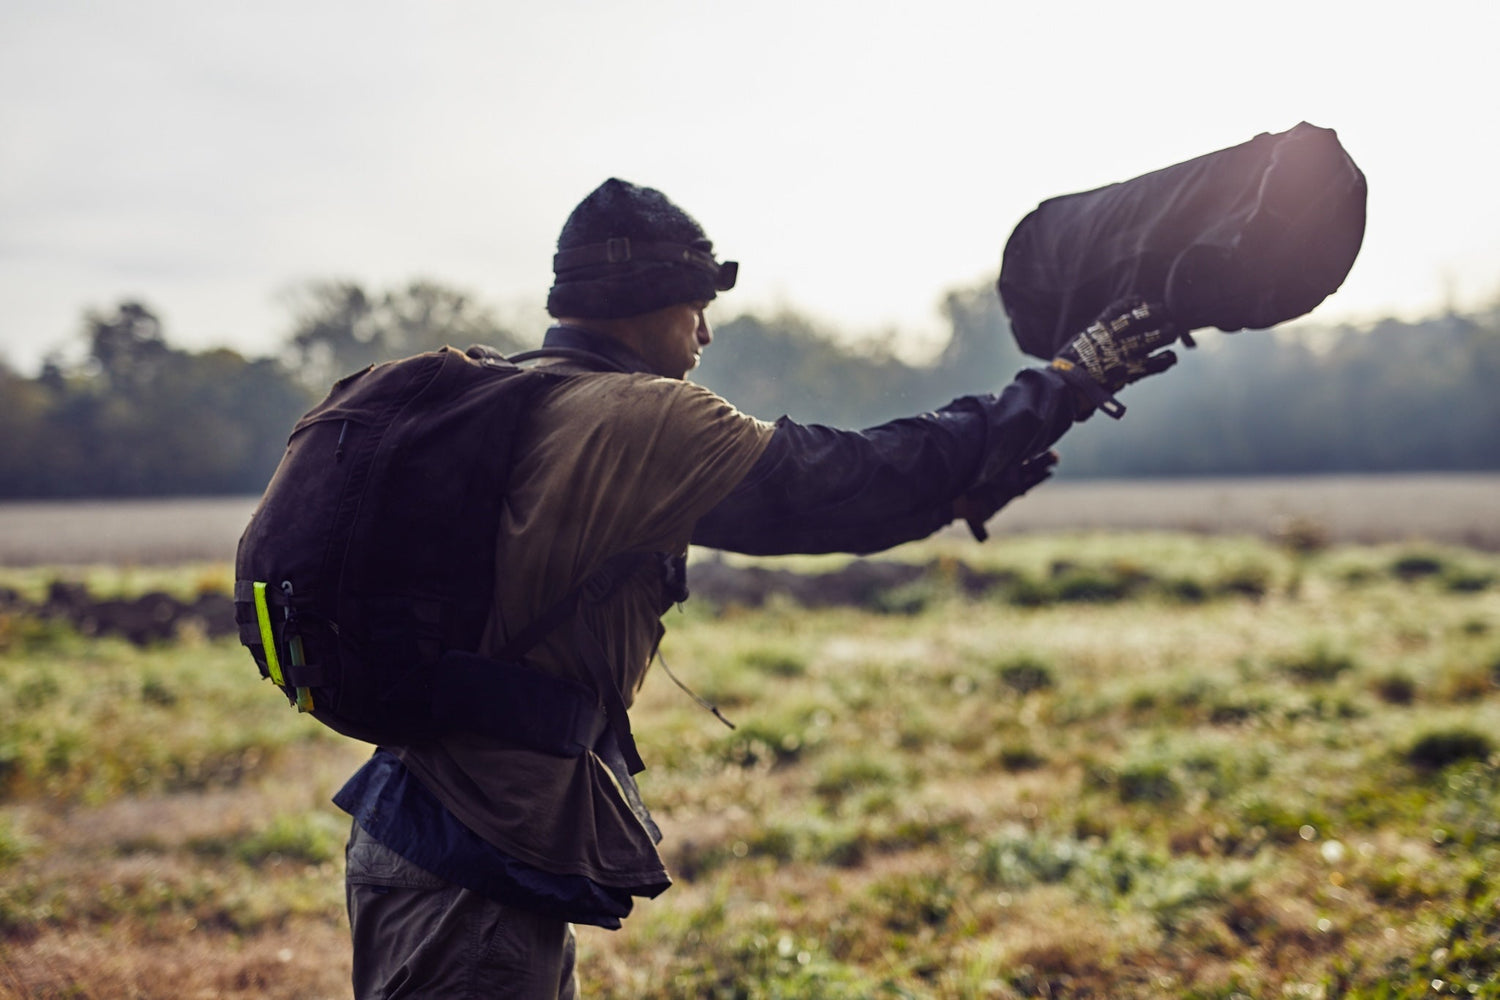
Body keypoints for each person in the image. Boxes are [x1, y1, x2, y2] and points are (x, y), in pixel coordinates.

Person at [332, 177, 1182, 998]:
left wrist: (948, 504)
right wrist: (1069, 382)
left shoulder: (543, 404)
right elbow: (847, 474)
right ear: (652, 301)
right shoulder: (644, 419)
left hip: (441, 830)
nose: (704, 333)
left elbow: (795, 520)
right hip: (468, 857)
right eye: (697, 305)